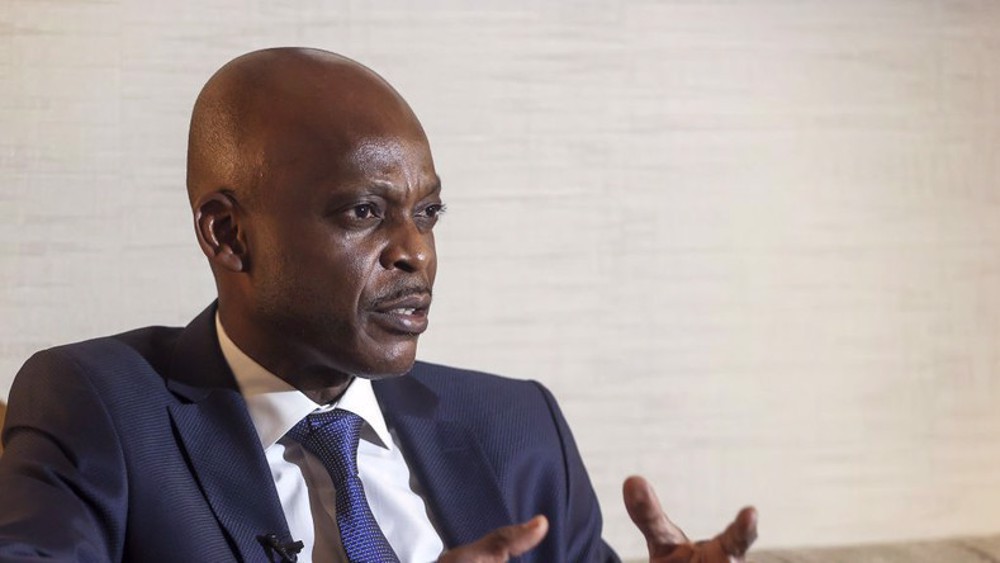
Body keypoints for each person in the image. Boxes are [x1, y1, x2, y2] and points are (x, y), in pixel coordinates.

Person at [0, 48, 757, 563]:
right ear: (229, 235)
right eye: (364, 212)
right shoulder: (99, 405)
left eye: (427, 215)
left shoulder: (518, 428)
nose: (415, 252)